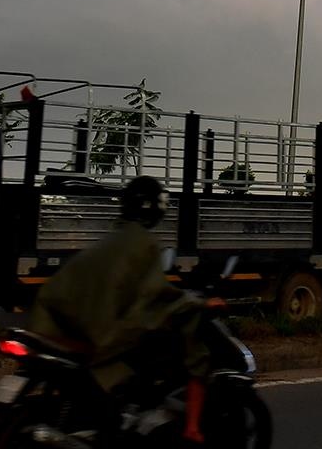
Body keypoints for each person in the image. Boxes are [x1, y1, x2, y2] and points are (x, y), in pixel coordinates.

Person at [28, 176, 209, 441]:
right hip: (97, 333)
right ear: (155, 209)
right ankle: (190, 429)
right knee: (154, 352)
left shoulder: (115, 236)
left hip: (54, 322)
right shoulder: (143, 243)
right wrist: (197, 303)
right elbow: (156, 295)